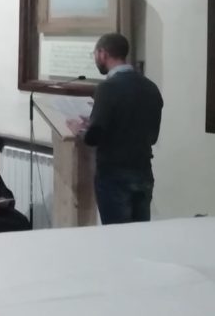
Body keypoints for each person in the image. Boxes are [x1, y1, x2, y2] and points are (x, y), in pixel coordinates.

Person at [67, 33, 164, 224]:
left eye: (95, 54)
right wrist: (94, 122)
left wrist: (79, 130)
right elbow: (152, 136)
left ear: (103, 53)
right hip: (143, 171)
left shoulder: (107, 88)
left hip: (114, 174)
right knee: (140, 233)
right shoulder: (150, 87)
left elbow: (93, 137)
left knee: (116, 235)